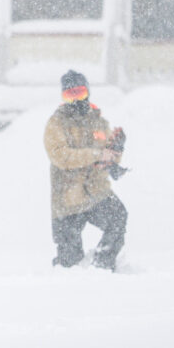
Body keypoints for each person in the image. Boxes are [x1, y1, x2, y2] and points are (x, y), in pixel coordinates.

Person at [44, 69, 128, 271]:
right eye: (70, 95)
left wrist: (116, 150)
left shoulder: (98, 122)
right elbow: (61, 156)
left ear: (88, 92)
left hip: (95, 192)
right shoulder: (56, 124)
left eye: (79, 93)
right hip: (68, 200)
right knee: (69, 263)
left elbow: (108, 155)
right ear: (63, 98)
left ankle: (102, 264)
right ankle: (68, 280)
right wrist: (96, 155)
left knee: (118, 217)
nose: (76, 100)